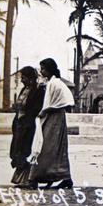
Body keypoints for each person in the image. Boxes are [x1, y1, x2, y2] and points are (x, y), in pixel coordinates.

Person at [27, 58, 74, 189]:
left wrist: (46, 110)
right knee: (50, 147)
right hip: (51, 117)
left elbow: (65, 101)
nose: (41, 71)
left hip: (55, 119)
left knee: (47, 147)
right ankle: (63, 177)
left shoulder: (56, 83)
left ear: (49, 69)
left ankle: (35, 178)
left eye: (43, 69)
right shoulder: (50, 83)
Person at [9, 67, 45, 185]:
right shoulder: (24, 89)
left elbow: (36, 108)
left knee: (26, 150)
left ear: (30, 78)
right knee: (18, 150)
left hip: (29, 125)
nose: (22, 80)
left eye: (23, 78)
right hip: (19, 124)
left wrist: (26, 119)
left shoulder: (39, 91)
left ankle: (29, 179)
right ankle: (20, 179)